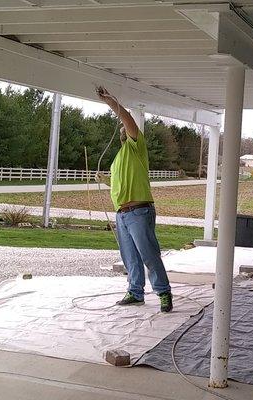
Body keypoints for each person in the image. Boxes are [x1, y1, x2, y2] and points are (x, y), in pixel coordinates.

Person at [96, 87, 173, 313]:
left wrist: (110, 101)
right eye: (122, 130)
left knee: (148, 254)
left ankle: (164, 293)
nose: (123, 130)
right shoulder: (119, 158)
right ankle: (135, 292)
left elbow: (128, 119)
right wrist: (107, 182)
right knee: (129, 256)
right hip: (123, 213)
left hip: (139, 212)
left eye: (125, 129)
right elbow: (123, 185)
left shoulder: (136, 147)